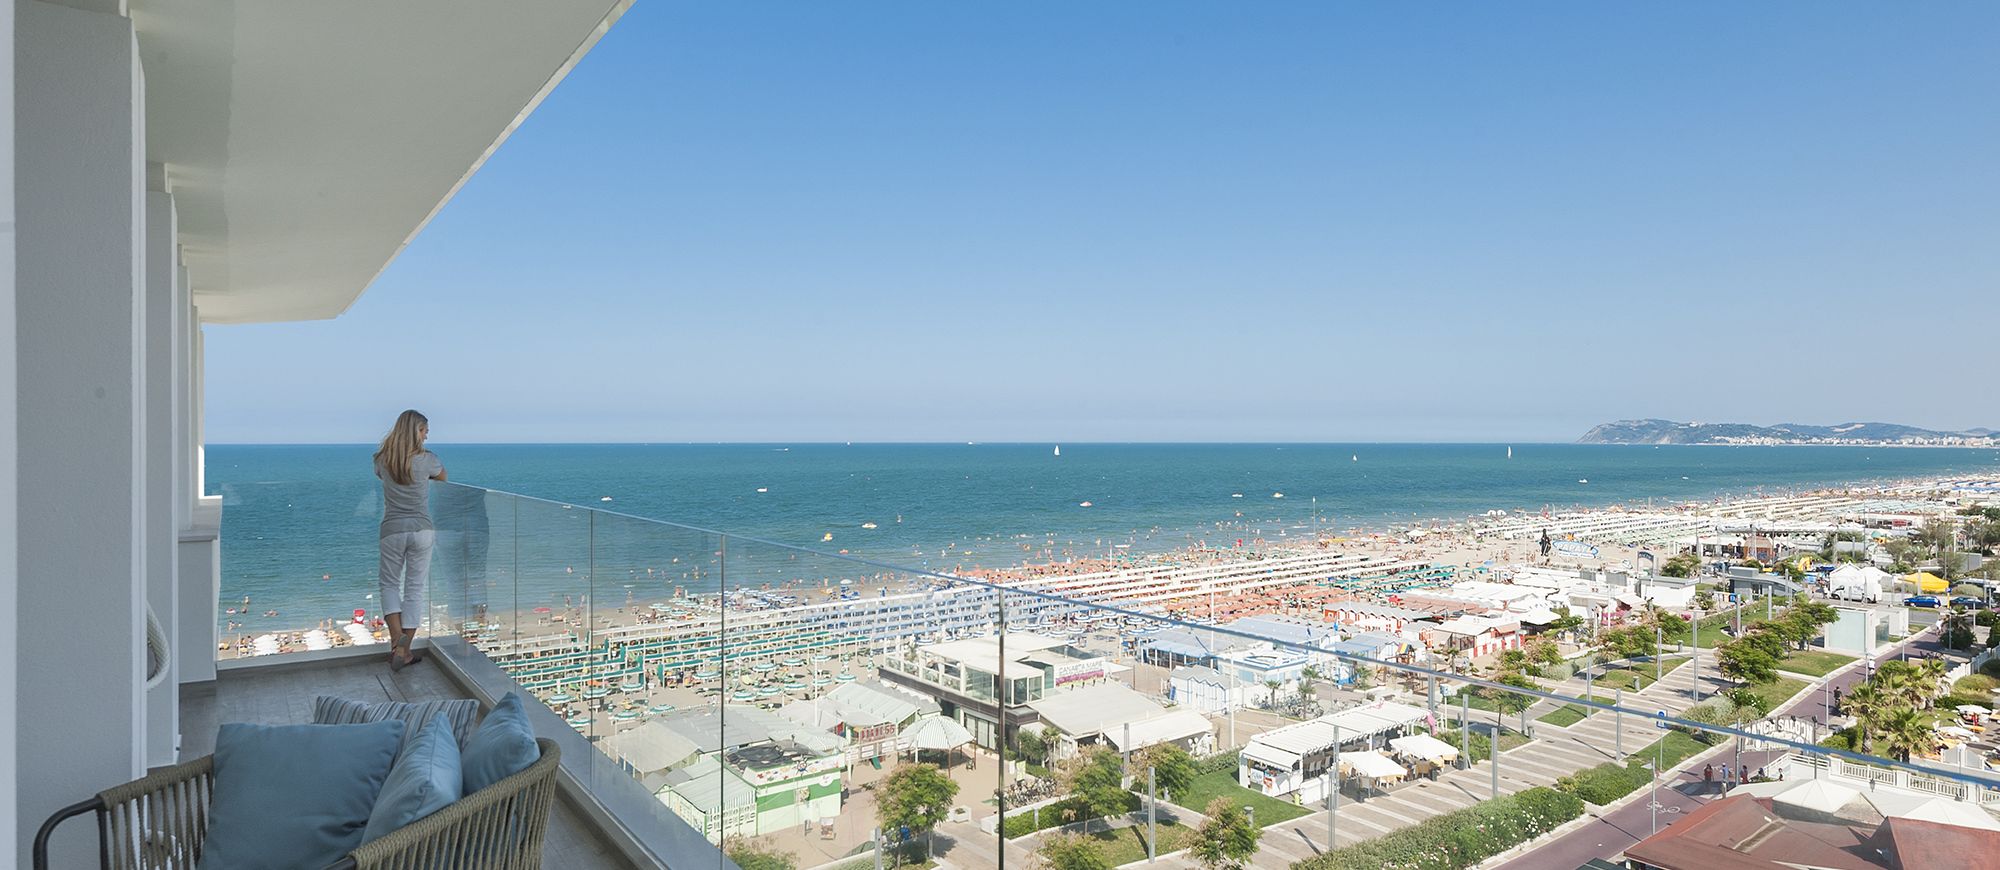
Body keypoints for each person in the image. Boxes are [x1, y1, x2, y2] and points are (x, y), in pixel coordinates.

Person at [374, 409, 446, 671]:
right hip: (421, 530)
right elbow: (443, 477)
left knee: (389, 585)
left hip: (392, 530)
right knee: (414, 589)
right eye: (424, 431)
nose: (426, 436)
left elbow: (380, 474)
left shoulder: (383, 460)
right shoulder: (428, 460)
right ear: (416, 431)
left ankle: (397, 644)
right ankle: (404, 649)